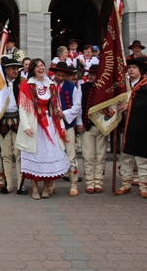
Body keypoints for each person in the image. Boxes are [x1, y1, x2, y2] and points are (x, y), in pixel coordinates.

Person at [16, 58, 70, 200]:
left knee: (48, 155)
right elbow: (22, 108)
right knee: (33, 155)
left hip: (49, 124)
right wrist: (26, 126)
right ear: (33, 69)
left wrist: (61, 125)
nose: (41, 68)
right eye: (38, 66)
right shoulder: (26, 86)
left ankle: (46, 187)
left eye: (42, 65)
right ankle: (34, 188)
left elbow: (57, 107)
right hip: (34, 125)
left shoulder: (51, 85)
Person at [115, 59, 147, 198]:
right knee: (126, 157)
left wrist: (131, 105)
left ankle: (143, 186)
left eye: (134, 67)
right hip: (126, 126)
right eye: (129, 68)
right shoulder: (123, 85)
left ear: (141, 70)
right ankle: (126, 183)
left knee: (142, 158)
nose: (131, 70)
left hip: (142, 126)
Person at [48, 62, 82, 196]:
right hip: (52, 126)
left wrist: (65, 113)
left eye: (63, 75)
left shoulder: (72, 87)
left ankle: (73, 184)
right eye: (58, 75)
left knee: (71, 155)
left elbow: (77, 107)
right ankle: (51, 183)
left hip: (67, 125)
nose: (60, 78)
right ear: (54, 74)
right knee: (53, 154)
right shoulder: (48, 86)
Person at [76, 64, 107, 194]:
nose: (92, 77)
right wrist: (79, 123)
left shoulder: (106, 89)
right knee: (88, 155)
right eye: (91, 74)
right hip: (87, 126)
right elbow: (78, 107)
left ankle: (98, 180)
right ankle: (90, 181)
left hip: (102, 126)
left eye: (95, 74)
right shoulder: (82, 88)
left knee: (100, 155)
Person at [0, 57, 24, 194]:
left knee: (19, 154)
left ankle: (20, 184)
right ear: (6, 69)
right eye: (13, 68)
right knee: (6, 154)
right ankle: (8, 184)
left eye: (17, 68)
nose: (15, 71)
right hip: (3, 123)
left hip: (19, 121)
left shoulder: (23, 83)